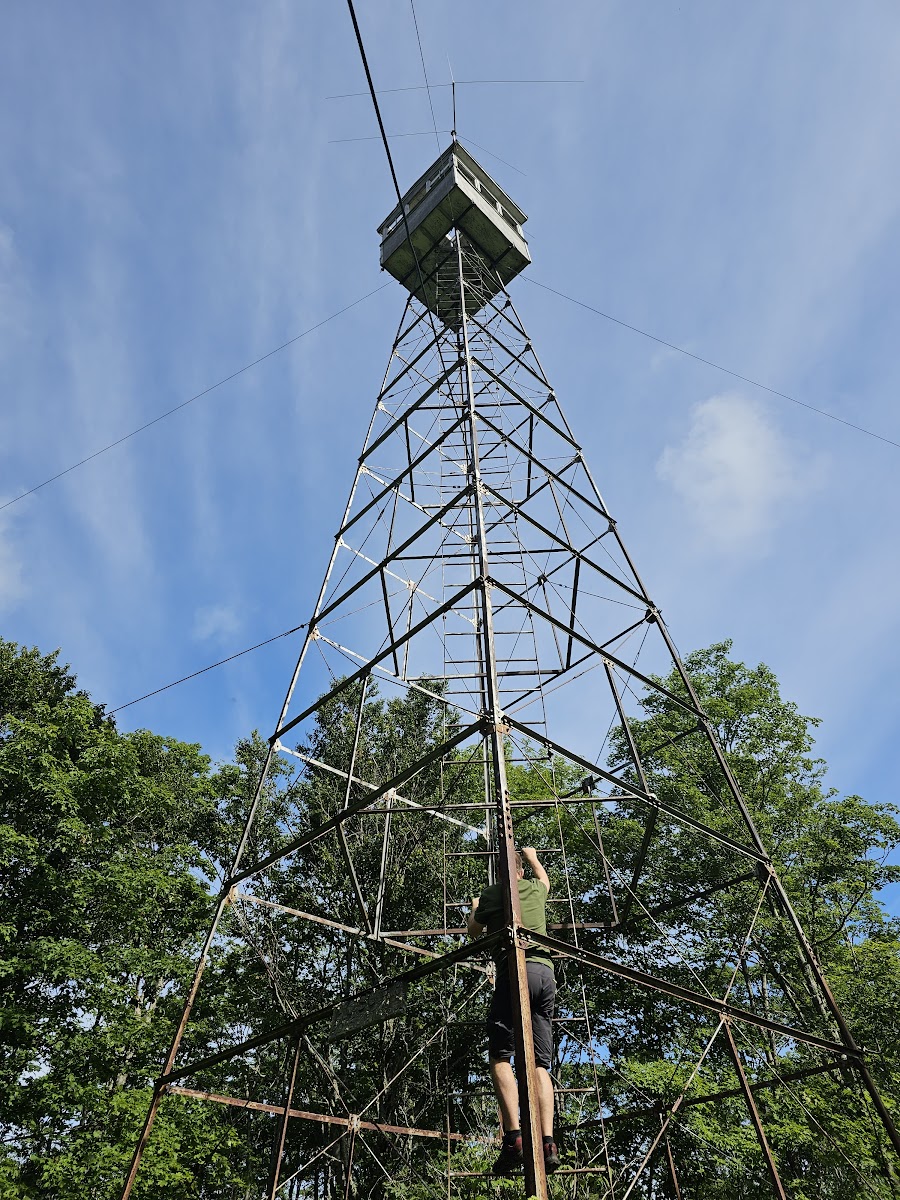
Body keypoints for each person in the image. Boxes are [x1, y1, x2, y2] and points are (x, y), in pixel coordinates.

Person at [468, 846, 559, 1176]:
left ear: (501, 874)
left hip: (513, 972)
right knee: (539, 1063)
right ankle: (548, 1142)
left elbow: (472, 932)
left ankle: (514, 1139)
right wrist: (533, 856)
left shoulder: (493, 893)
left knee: (500, 1057)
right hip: (544, 974)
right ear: (521, 873)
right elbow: (545, 881)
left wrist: (476, 908)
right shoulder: (535, 888)